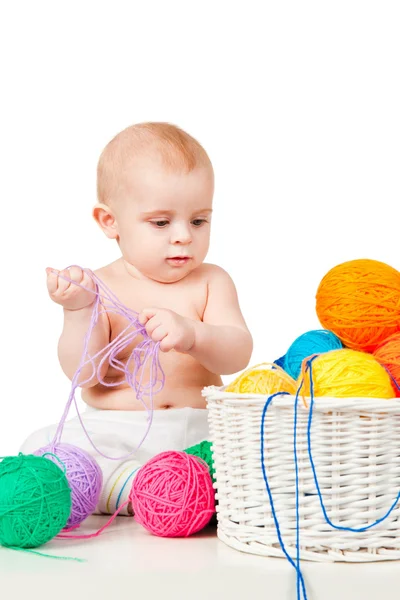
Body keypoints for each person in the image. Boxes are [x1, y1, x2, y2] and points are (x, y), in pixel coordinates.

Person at [20, 122, 253, 515]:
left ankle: (157, 491)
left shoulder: (211, 281)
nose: (183, 236)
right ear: (109, 221)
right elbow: (84, 374)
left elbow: (237, 354)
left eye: (199, 220)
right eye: (161, 223)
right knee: (37, 444)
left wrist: (194, 334)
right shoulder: (100, 287)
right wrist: (78, 313)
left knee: (252, 448)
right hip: (118, 432)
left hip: (200, 429)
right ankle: (136, 489)